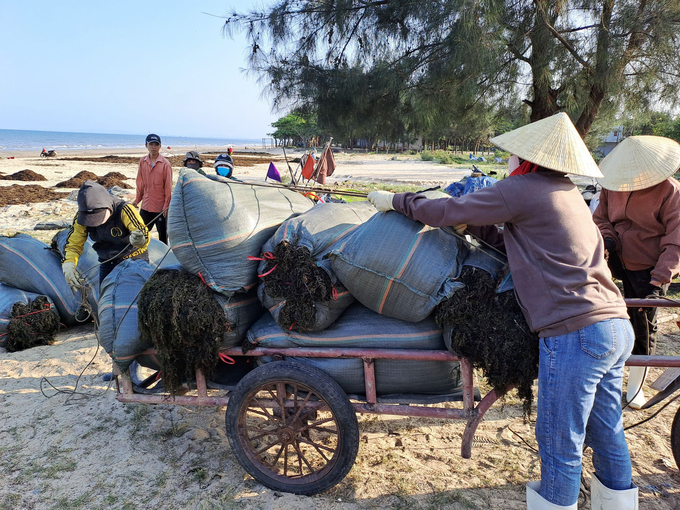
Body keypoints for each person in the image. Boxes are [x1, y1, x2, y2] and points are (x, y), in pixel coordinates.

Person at [367, 113, 637, 509]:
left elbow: (446, 210)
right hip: (614, 325)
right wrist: (474, 227)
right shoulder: (565, 192)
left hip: (575, 332)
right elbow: (515, 241)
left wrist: (395, 200)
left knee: (559, 441)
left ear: (527, 158)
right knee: (607, 430)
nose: (508, 159)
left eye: (512, 154)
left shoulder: (523, 189)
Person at [593, 135, 680, 409]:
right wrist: (607, 240)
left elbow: (676, 240)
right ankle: (607, 376)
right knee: (607, 316)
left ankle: (635, 387)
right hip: (614, 259)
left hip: (650, 267)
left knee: (642, 323)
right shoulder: (612, 185)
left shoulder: (670, 192)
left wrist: (659, 281)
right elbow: (601, 218)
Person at [62, 180, 150, 286]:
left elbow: (142, 231)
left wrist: (140, 240)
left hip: (134, 258)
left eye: (97, 217)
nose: (94, 222)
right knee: (106, 293)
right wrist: (69, 263)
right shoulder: (81, 219)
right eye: (90, 219)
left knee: (135, 293)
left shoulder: (124, 210)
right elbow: (74, 244)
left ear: (107, 206)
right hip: (108, 261)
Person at [133, 133, 172, 244]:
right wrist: (137, 200)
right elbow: (140, 183)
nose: (153, 147)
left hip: (160, 208)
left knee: (163, 237)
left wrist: (166, 206)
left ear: (160, 146)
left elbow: (168, 188)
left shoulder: (165, 164)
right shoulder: (142, 161)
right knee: (141, 235)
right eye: (151, 144)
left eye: (156, 144)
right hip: (146, 206)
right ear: (146, 145)